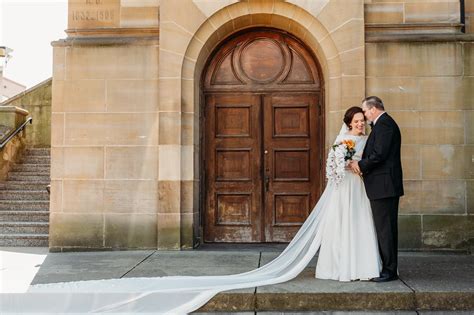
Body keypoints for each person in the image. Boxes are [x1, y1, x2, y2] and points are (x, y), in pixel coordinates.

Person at [13, 107, 382, 314]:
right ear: (348, 123)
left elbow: (361, 160)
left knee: (357, 226)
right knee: (342, 227)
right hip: (345, 186)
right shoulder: (343, 140)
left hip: (358, 186)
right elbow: (333, 165)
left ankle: (358, 266)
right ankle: (339, 265)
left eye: (361, 121)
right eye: (356, 121)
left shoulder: (366, 138)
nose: (359, 124)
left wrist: (354, 165)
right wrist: (344, 165)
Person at [350, 96, 404, 282]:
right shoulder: (383, 125)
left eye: (365, 111)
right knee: (385, 228)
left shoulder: (385, 125)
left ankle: (389, 271)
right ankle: (389, 268)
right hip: (383, 186)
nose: (364, 116)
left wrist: (361, 165)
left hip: (385, 187)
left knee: (385, 229)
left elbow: (379, 154)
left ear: (373, 109)